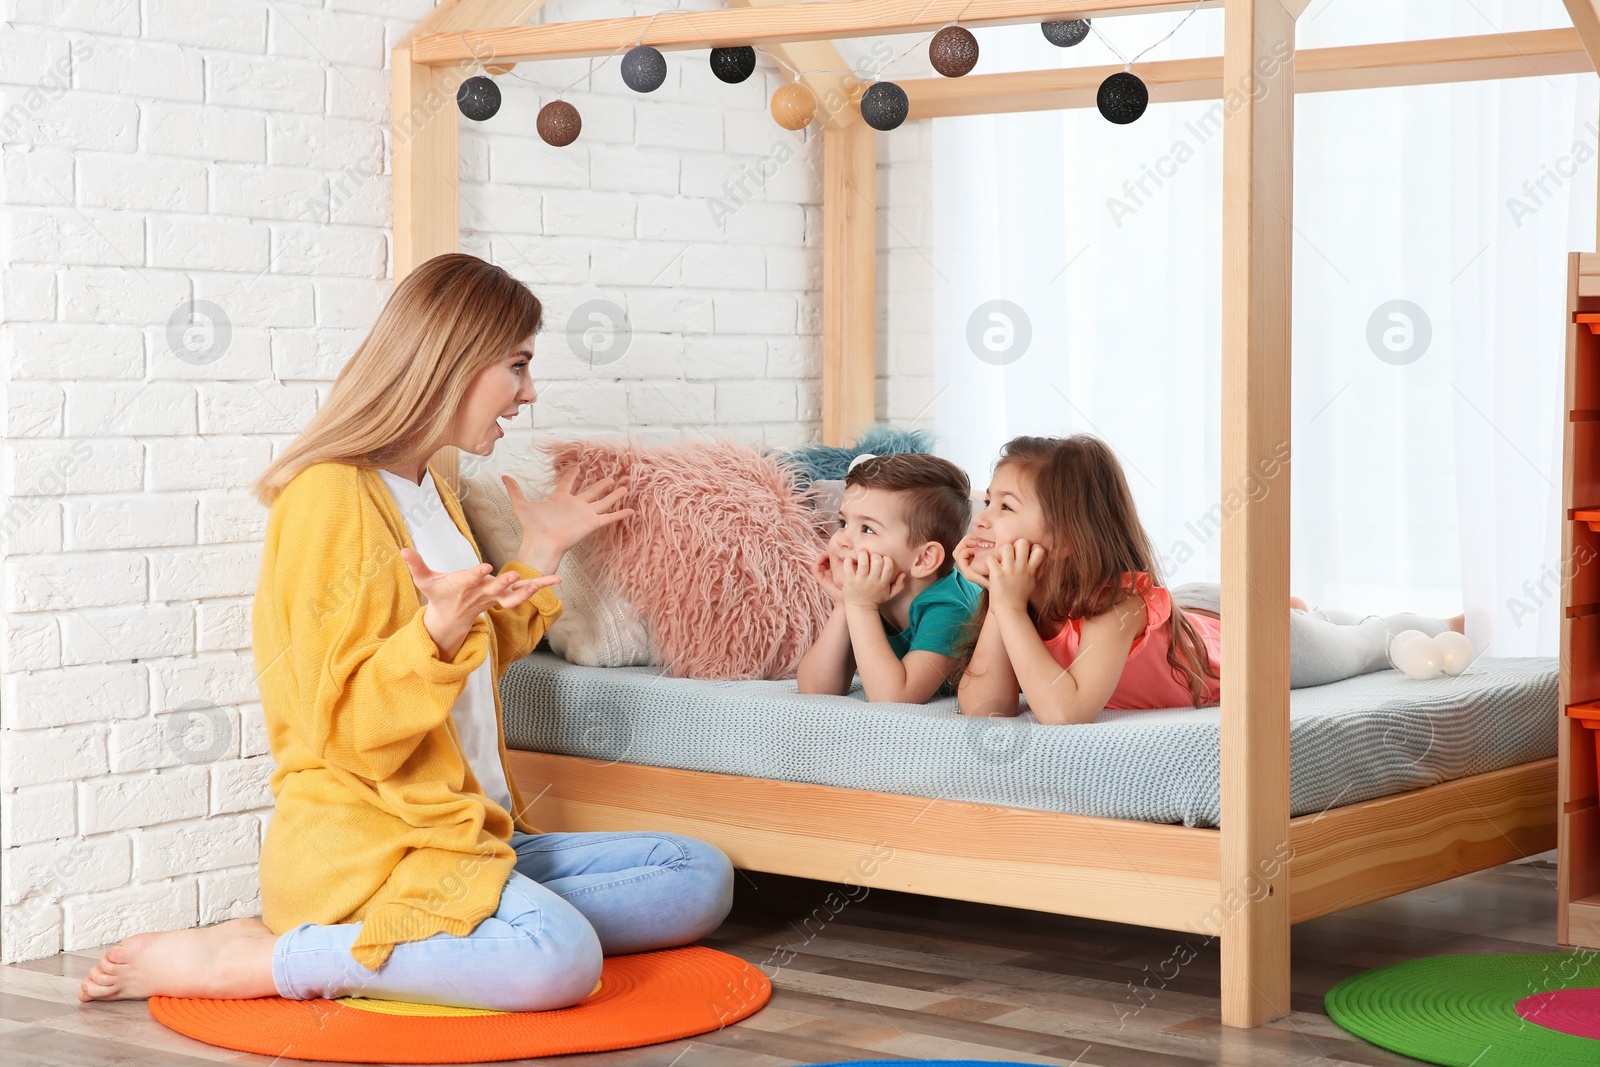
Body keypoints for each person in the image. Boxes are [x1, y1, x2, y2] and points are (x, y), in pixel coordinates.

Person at [78, 253, 735, 1010]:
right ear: (452, 364)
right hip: (381, 846)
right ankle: (262, 959)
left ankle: (468, 932)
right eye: (517, 365)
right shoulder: (329, 496)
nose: (529, 392)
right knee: (557, 958)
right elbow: (351, 731)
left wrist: (538, 555)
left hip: (473, 833)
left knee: (697, 875)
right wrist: (435, 635)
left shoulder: (430, 489)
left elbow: (464, 658)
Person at [952, 434, 1466, 725]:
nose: (982, 519)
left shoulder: (1115, 607)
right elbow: (984, 708)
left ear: (1065, 537)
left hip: (1249, 642)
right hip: (1190, 609)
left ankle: (1441, 621)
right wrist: (1003, 603)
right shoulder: (1018, 604)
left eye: (1005, 506)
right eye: (988, 502)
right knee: (1275, 617)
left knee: (1361, 645)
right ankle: (1295, 609)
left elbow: (1064, 714)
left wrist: (1011, 608)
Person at [797, 452, 982, 703]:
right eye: (843, 523)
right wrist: (846, 602)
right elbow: (816, 689)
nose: (841, 539)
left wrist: (860, 606)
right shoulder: (871, 588)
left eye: (867, 529)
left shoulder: (950, 607)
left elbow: (896, 697)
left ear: (924, 559)